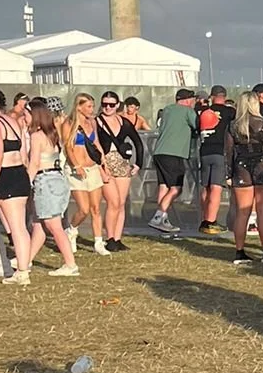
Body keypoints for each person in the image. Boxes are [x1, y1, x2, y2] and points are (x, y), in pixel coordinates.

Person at [0, 85, 33, 286]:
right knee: (18, 227)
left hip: (2, 174)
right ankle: (22, 272)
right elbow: (22, 151)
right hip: (19, 173)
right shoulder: (12, 121)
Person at [227, 90, 263, 265]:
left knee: (242, 212)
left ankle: (239, 252)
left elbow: (228, 152)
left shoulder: (233, 126)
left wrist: (228, 173)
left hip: (241, 167)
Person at [26, 100, 78, 276]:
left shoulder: (36, 136)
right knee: (39, 224)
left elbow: (34, 163)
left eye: (27, 114)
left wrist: (26, 184)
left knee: (53, 224)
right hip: (57, 179)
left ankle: (70, 264)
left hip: (45, 180)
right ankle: (26, 261)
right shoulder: (53, 133)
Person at [94, 91, 141, 252]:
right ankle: (110, 238)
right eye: (105, 104)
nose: (108, 108)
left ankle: (118, 238)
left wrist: (138, 164)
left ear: (117, 105)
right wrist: (100, 166)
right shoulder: (96, 122)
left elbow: (138, 142)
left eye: (111, 105)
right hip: (105, 164)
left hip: (122, 164)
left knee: (120, 203)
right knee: (112, 202)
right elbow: (91, 144)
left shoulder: (123, 122)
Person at [64, 91, 110, 256]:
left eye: (92, 106)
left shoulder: (92, 123)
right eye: (89, 106)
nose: (92, 109)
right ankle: (72, 230)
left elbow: (96, 142)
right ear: (79, 106)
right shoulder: (69, 124)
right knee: (83, 209)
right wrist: (76, 165)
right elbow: (68, 147)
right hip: (77, 169)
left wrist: (103, 162)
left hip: (92, 168)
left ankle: (98, 241)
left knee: (96, 208)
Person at [149, 85, 198, 233]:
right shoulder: (187, 111)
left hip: (159, 152)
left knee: (164, 186)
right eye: (192, 99)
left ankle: (163, 219)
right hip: (174, 154)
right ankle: (158, 216)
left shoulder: (167, 110)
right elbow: (198, 125)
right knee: (176, 188)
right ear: (187, 100)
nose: (193, 102)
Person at [197, 87, 234, 235]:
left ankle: (204, 219)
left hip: (204, 151)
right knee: (216, 187)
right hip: (220, 151)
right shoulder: (230, 112)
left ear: (212, 97)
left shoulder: (204, 112)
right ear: (224, 97)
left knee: (205, 187)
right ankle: (211, 222)